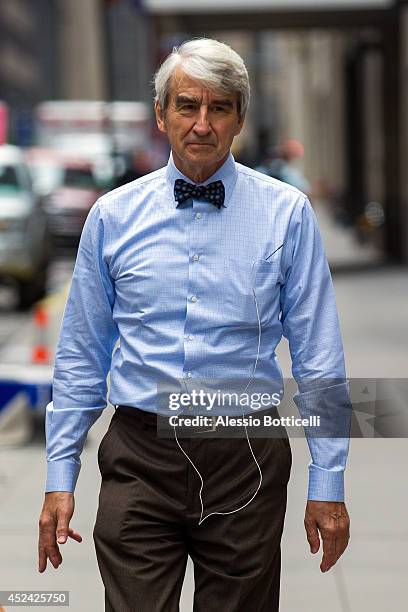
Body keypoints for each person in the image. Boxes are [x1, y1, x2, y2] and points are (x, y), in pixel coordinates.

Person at [38, 39, 351, 611]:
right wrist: (61, 476)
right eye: (187, 106)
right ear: (162, 115)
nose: (202, 124)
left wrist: (328, 485)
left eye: (219, 108)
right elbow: (83, 355)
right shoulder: (112, 218)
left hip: (245, 457)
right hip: (140, 457)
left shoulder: (287, 215)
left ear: (239, 119)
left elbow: (318, 359)